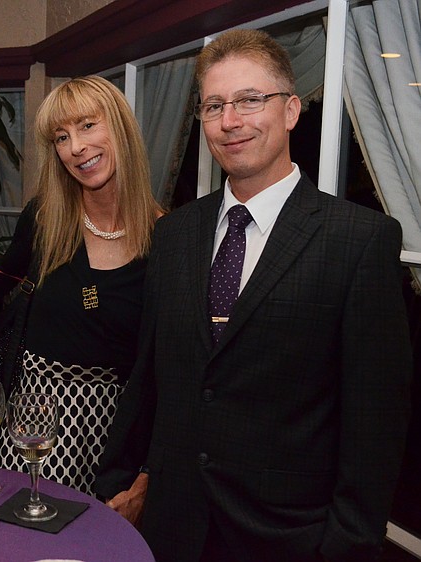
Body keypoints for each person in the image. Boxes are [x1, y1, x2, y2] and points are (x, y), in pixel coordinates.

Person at [94, 29, 412, 562]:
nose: (230, 121)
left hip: (288, 538)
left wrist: (347, 544)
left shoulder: (359, 240)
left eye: (249, 100)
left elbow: (375, 421)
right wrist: (123, 478)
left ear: (291, 110)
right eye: (214, 105)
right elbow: (150, 375)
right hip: (172, 529)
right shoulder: (174, 234)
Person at [0, 76, 161, 495]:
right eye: (62, 137)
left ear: (121, 128)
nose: (76, 147)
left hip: (116, 436)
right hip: (33, 425)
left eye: (88, 126)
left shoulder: (166, 237)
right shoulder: (45, 219)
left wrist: (147, 474)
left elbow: (165, 367)